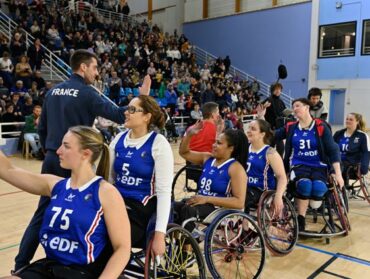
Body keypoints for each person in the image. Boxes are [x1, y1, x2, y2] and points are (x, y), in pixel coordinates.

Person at [14, 49, 151, 271]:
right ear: (83, 67)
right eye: (95, 67)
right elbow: (118, 114)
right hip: (76, 160)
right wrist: (142, 98)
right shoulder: (87, 93)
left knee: (42, 214)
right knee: (90, 212)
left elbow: (42, 127)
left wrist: (51, 149)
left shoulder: (53, 91)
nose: (97, 73)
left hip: (53, 156)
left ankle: (20, 264)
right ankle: (87, 263)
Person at [1, 126, 130, 278]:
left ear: (85, 154)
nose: (58, 151)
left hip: (81, 272)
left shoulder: (106, 193)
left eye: (66, 146)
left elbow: (122, 248)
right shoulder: (55, 185)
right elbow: (8, 170)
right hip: (50, 267)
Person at [258, 98, 344, 232]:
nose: (295, 108)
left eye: (298, 106)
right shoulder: (291, 127)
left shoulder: (321, 126)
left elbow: (333, 149)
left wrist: (338, 174)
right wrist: (261, 117)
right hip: (298, 165)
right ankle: (301, 218)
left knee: (318, 190)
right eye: (293, 106)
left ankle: (311, 203)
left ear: (307, 108)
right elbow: (271, 136)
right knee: (305, 186)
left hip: (319, 166)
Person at [109, 95, 173, 258]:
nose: (126, 113)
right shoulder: (118, 139)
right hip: (116, 203)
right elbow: (108, 180)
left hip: (141, 209)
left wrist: (160, 234)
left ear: (146, 117)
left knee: (108, 233)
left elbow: (164, 192)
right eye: (126, 109)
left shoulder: (158, 143)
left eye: (132, 110)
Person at [175, 124, 248, 232]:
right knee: (173, 207)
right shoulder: (207, 158)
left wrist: (207, 199)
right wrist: (190, 135)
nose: (213, 145)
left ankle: (188, 247)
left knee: (188, 210)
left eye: (219, 143)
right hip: (201, 203)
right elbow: (184, 152)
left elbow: (239, 202)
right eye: (215, 141)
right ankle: (172, 242)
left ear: (231, 148)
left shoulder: (236, 168)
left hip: (218, 208)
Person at [244, 119, 287, 215]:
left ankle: (244, 223)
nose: (249, 131)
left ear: (262, 134)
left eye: (253, 129)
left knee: (241, 196)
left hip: (261, 191)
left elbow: (282, 177)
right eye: (249, 128)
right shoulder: (244, 148)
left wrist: (278, 196)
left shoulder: (270, 152)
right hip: (244, 187)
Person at [333, 113, 370, 188]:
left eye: (351, 119)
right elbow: (331, 148)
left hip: (352, 164)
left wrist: (364, 167)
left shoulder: (362, 136)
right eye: (347, 119)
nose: (348, 121)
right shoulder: (338, 133)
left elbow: (366, 152)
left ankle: (341, 188)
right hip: (337, 162)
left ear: (357, 122)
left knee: (342, 167)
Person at [263, 83, 286, 156]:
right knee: (270, 147)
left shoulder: (281, 102)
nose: (278, 91)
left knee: (281, 148)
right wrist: (264, 106)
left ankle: (280, 162)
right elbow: (261, 108)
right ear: (272, 90)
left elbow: (284, 112)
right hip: (270, 127)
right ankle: (268, 163)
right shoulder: (268, 99)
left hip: (279, 127)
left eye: (279, 89)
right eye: (276, 89)